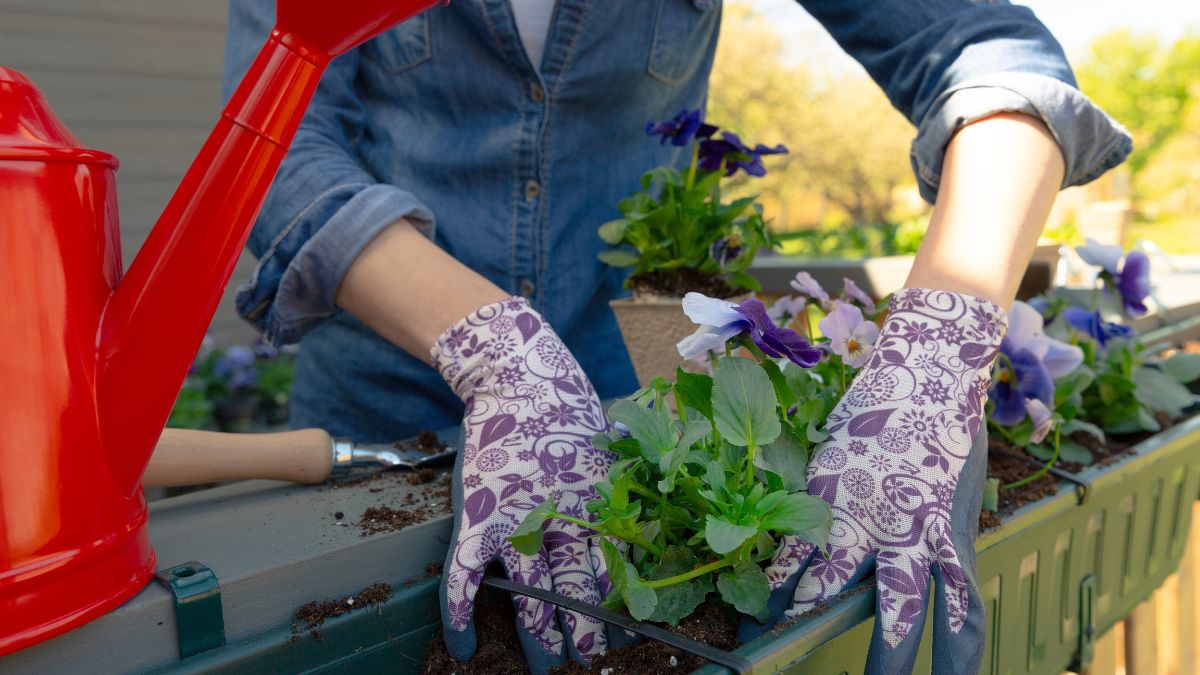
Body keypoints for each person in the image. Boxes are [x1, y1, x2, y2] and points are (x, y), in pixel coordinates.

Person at [223, 1, 1131, 673]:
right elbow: (271, 141)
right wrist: (492, 344)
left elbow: (990, 54)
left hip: (637, 414)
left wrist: (940, 346)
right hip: (382, 414)